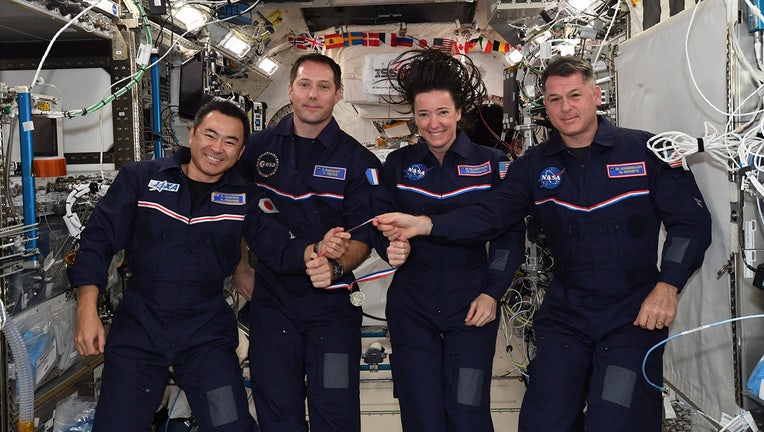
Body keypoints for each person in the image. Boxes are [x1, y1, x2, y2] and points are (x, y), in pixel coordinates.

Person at [375, 55, 712, 432]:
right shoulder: (533, 166)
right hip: (567, 315)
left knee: (614, 419)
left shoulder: (646, 151)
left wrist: (668, 285)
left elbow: (691, 223)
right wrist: (426, 223)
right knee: (544, 420)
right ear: (545, 108)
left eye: (574, 95)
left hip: (631, 315)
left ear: (596, 96)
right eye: (555, 99)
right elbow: (491, 214)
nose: (566, 107)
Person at [68, 99, 346, 432]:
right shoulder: (141, 179)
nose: (217, 148)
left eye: (230, 142)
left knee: (228, 424)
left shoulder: (245, 197)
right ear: (192, 134)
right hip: (140, 328)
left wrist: (315, 249)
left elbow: (277, 246)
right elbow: (97, 242)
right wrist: (86, 310)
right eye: (210, 135)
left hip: (205, 336)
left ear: (241, 152)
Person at [233, 53, 408, 432]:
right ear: (291, 90)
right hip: (271, 301)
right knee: (277, 412)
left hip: (332, 308)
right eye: (305, 85)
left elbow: (363, 234)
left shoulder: (359, 161)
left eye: (323, 87)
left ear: (338, 94)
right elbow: (235, 211)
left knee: (335, 412)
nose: (313, 95)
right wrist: (241, 265)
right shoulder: (256, 149)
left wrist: (335, 266)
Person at [374, 49, 525, 432]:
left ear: (459, 112)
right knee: (421, 414)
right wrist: (390, 246)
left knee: (467, 411)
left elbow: (508, 234)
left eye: (442, 112)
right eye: (423, 114)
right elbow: (380, 224)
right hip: (412, 308)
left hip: (472, 306)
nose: (433, 123)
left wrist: (492, 293)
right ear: (414, 117)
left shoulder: (492, 164)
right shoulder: (398, 165)